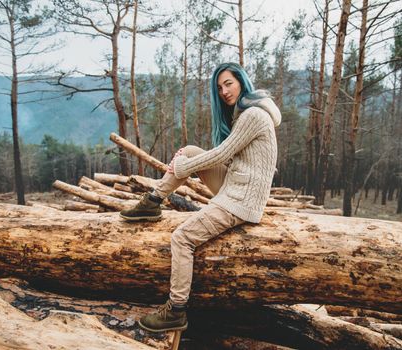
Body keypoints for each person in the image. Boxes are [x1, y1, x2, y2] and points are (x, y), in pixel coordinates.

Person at [120, 62, 281, 333]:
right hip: (235, 187)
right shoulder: (246, 113)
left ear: (241, 82)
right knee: (192, 151)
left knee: (182, 238)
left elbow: (222, 153)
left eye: (229, 83)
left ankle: (176, 310)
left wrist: (182, 166)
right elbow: (228, 158)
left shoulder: (254, 115)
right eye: (219, 88)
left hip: (242, 202)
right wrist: (186, 159)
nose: (224, 91)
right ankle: (152, 201)